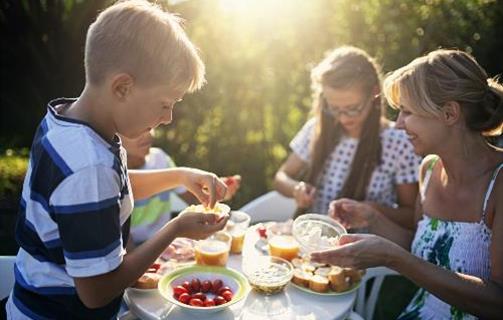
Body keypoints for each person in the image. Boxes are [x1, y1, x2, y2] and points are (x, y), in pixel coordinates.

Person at [5, 1, 230, 319]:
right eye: (165, 103)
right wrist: (174, 229)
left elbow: (108, 192)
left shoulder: (69, 125)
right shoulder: (90, 166)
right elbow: (96, 293)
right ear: (122, 87)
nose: (168, 118)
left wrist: (179, 175)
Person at [312, 49, 503, 319]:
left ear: (449, 114)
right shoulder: (429, 170)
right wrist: (372, 217)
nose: (398, 125)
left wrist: (393, 258)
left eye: (407, 112)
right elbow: (420, 246)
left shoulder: (499, 184)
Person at [274, 46, 421, 229]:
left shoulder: (398, 142)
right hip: (310, 241)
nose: (343, 118)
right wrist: (296, 189)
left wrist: (371, 210)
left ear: (374, 93)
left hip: (364, 250)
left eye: (353, 108)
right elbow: (281, 177)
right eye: (334, 108)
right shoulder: (316, 129)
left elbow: (412, 216)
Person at [120, 130, 241, 247]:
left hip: (165, 242)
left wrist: (215, 192)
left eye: (149, 127)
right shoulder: (112, 175)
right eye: (136, 127)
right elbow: (127, 249)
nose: (147, 134)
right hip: (135, 249)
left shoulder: (160, 158)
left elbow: (196, 199)